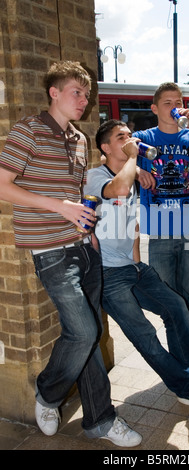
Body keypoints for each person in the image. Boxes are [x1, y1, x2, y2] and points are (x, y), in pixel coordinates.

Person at [0, 61, 142, 446]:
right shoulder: (27, 131)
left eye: (86, 94)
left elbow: (82, 196)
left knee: (89, 335)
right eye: (76, 92)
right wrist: (60, 207)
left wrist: (87, 227)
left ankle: (99, 419)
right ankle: (48, 393)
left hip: (84, 247)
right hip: (50, 251)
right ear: (54, 92)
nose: (84, 100)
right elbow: (2, 186)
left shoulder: (79, 139)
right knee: (83, 331)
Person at [84, 119, 189, 413]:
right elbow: (118, 189)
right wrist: (135, 160)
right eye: (121, 137)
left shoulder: (132, 173)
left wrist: (137, 263)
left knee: (176, 308)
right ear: (105, 147)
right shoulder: (94, 176)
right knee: (145, 336)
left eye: (130, 135)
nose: (129, 139)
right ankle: (188, 389)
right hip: (107, 274)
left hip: (132, 268)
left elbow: (132, 223)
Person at [133, 82, 189, 354]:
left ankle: (188, 354)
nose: (174, 107)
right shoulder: (144, 136)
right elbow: (117, 150)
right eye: (167, 103)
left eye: (178, 101)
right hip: (159, 229)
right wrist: (138, 171)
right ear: (154, 108)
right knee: (166, 294)